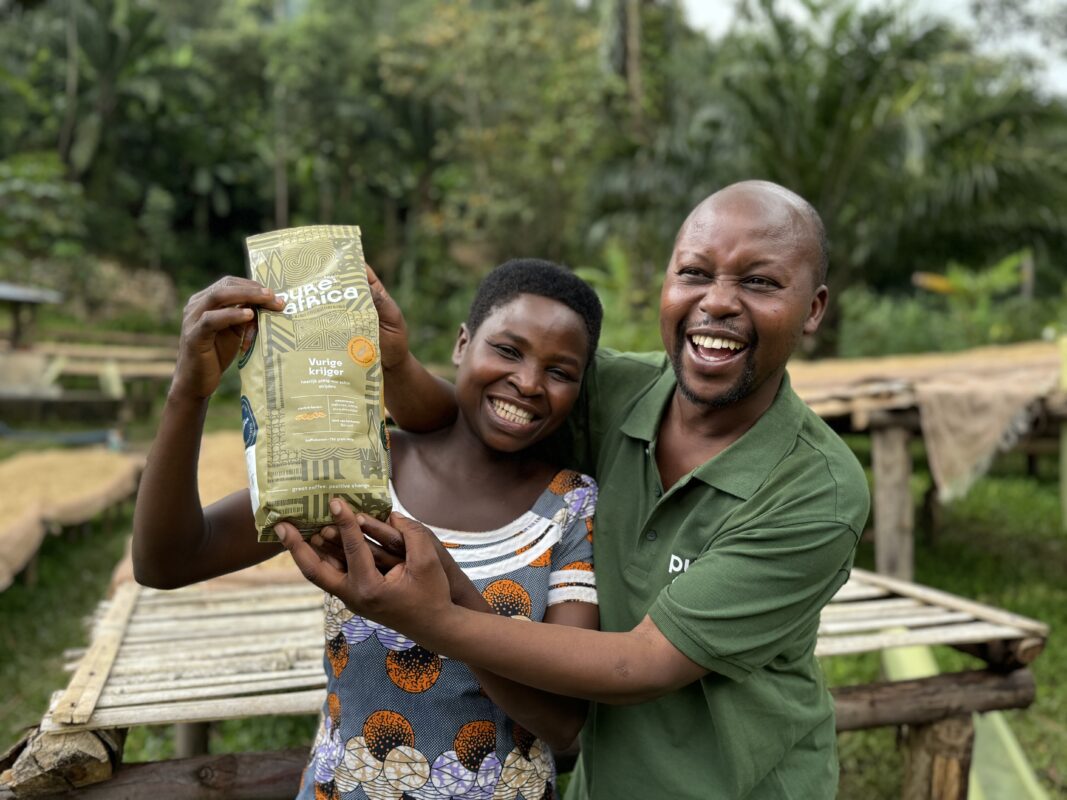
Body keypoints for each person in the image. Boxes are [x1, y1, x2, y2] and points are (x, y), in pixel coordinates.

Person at [278, 180, 871, 799]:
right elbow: (469, 421)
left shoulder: (814, 492)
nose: (718, 302)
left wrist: (434, 618)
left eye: (761, 282)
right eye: (695, 272)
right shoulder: (617, 389)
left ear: (814, 308)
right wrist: (397, 365)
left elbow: (641, 664)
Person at [132, 258, 605, 800]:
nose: (527, 382)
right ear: (462, 343)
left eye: (560, 371)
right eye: (507, 350)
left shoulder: (570, 506)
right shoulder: (361, 464)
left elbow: (564, 721)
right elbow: (167, 560)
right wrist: (188, 394)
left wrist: (446, 602)